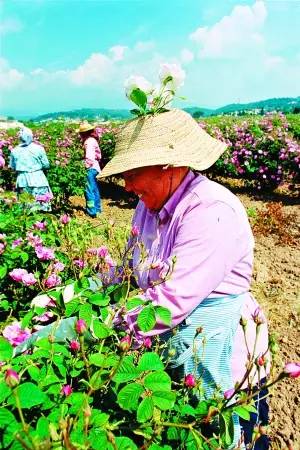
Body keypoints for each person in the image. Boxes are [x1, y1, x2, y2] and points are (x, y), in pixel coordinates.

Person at [99, 108, 270, 448]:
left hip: (219, 365)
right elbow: (130, 271)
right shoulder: (148, 207)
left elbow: (171, 300)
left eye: (133, 173)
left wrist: (101, 326)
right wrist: (93, 289)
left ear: (170, 166)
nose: (128, 186)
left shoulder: (210, 210)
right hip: (173, 355)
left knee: (223, 438)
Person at [9, 126, 52, 211]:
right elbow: (46, 165)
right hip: (38, 179)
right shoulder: (39, 149)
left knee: (25, 207)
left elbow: (13, 167)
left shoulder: (14, 151)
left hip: (22, 180)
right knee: (41, 205)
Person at [78, 121, 102, 218]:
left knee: (88, 190)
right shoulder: (93, 140)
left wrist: (83, 167)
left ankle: (92, 211)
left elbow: (89, 157)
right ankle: (97, 209)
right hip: (95, 168)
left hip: (90, 168)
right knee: (94, 189)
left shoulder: (88, 142)